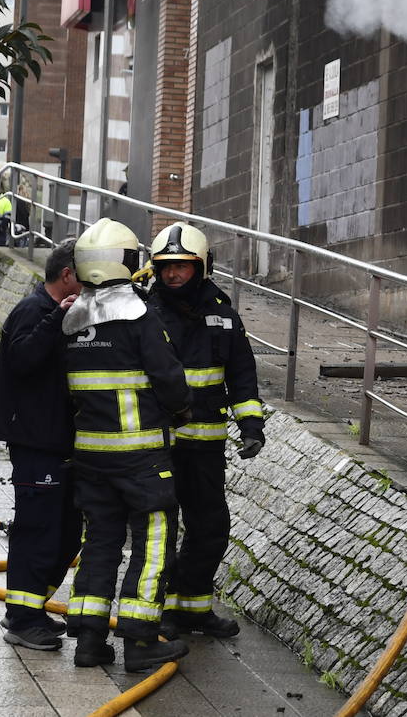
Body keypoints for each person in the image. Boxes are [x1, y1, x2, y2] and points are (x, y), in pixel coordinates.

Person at [62, 217, 190, 673]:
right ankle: (139, 641)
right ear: (125, 261)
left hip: (90, 458)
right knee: (154, 539)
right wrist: (182, 410)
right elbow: (170, 380)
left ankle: (89, 641)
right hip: (139, 458)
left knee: (99, 541)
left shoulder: (73, 321)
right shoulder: (140, 317)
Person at [146, 222, 264, 641]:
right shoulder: (146, 315)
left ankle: (192, 607)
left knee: (211, 528)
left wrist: (251, 425)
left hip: (206, 447)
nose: (172, 275)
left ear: (202, 267)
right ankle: (153, 611)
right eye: (165, 267)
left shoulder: (223, 316)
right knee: (158, 530)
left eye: (181, 266)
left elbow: (242, 374)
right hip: (159, 446)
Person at [0, 239, 84, 651]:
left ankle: (29, 608)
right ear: (67, 276)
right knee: (37, 530)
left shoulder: (60, 314)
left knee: (66, 534)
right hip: (36, 444)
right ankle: (23, 620)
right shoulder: (34, 311)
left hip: (58, 443)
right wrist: (55, 321)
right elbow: (22, 359)